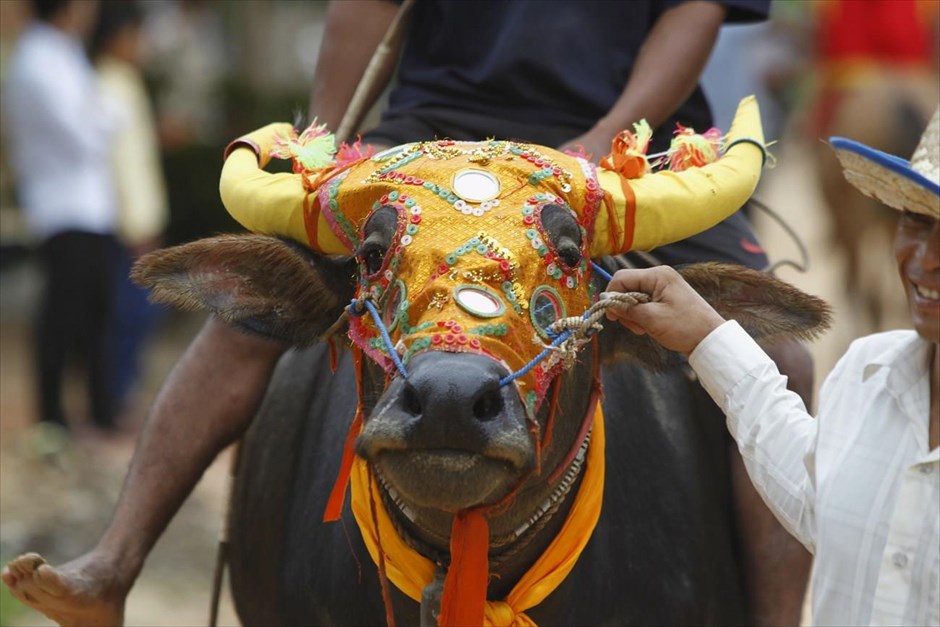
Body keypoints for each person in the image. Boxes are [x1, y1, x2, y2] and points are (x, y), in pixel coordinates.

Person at [1, 1, 809, 623]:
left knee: (780, 358)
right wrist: (333, 142)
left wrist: (593, 153)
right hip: (425, 144)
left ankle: (784, 619)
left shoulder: (607, 158)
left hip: (613, 156)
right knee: (248, 316)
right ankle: (113, 564)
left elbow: (694, 7)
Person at [603, 109, 940, 625]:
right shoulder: (867, 371)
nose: (926, 259)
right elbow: (819, 501)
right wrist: (703, 335)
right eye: (916, 220)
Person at [2, 0, 121, 432]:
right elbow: (86, 132)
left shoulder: (63, 54)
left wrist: (101, 118)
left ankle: (96, 412)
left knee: (94, 314)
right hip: (61, 205)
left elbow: (97, 120)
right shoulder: (37, 60)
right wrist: (104, 117)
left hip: (88, 204)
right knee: (63, 315)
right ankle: (52, 417)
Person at [90, 0, 170, 418]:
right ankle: (114, 400)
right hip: (127, 225)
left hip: (141, 219)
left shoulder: (125, 80)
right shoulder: (104, 85)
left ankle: (123, 396)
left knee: (140, 317)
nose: (140, 44)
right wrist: (134, 222)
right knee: (126, 319)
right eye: (134, 35)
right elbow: (116, 164)